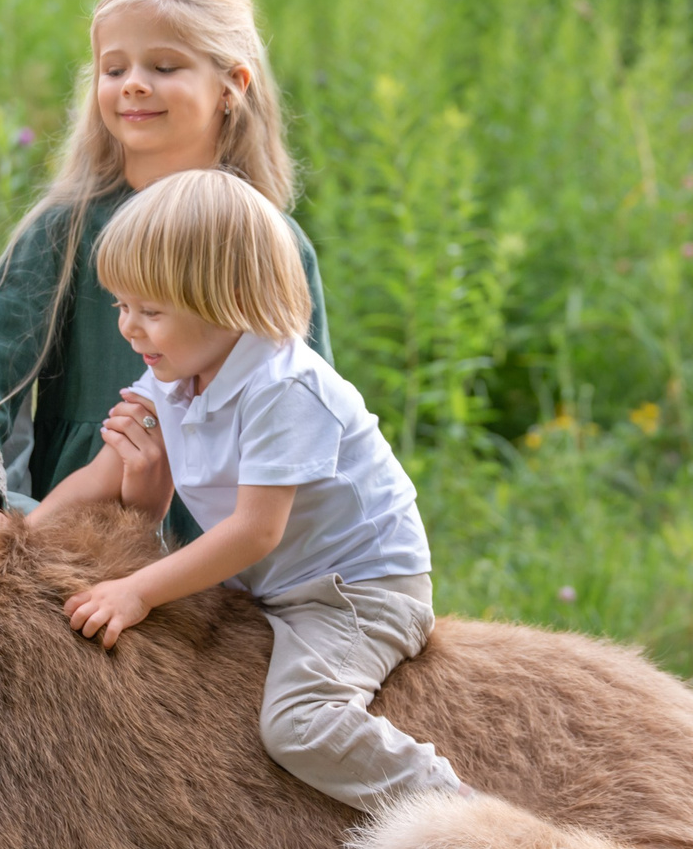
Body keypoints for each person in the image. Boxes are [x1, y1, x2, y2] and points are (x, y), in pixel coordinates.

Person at [34, 167, 468, 812]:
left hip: (355, 591)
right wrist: (23, 537)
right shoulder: (176, 375)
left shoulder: (283, 386)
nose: (129, 327)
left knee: (298, 725)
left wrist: (136, 590)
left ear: (227, 299)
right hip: (274, 585)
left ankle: (453, 807)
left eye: (151, 311)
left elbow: (255, 530)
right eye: (122, 306)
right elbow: (100, 477)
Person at [0, 0, 329, 558]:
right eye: (114, 68)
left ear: (231, 87)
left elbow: (305, 413)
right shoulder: (64, 231)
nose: (134, 83)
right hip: (76, 538)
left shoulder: (273, 243)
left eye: (164, 66)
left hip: (227, 543)